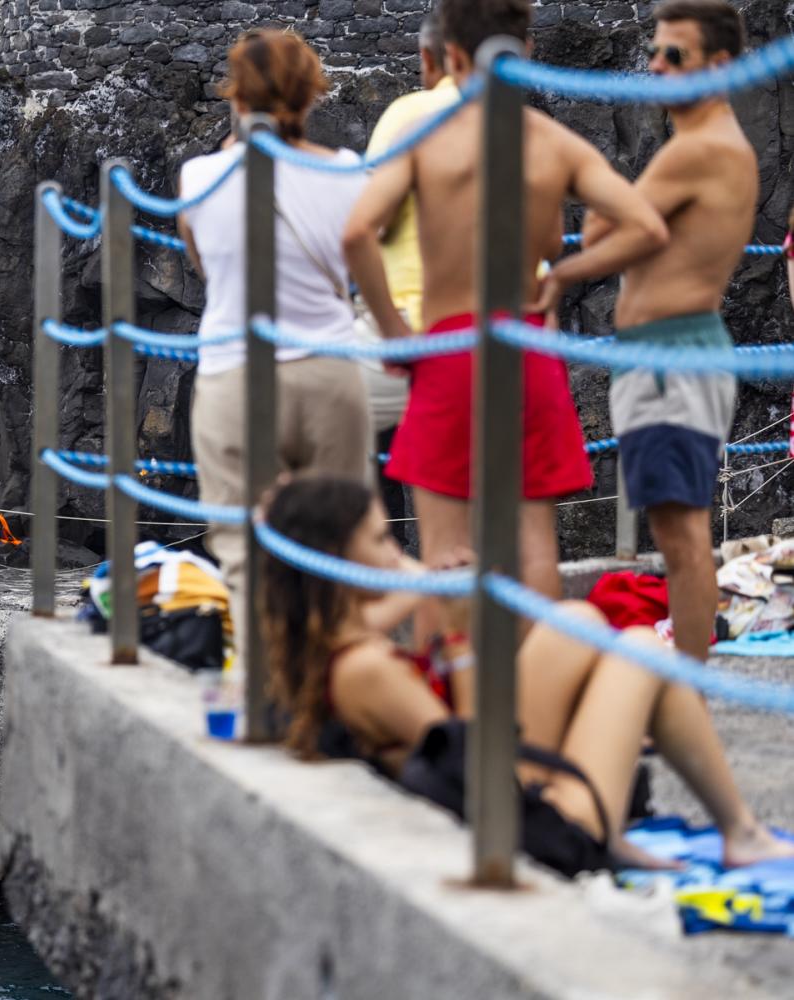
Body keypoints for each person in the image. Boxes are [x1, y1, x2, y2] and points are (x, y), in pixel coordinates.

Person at [258, 475, 794, 873]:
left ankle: (716, 828)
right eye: (380, 541)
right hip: (529, 828)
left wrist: (284, 523)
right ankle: (737, 831)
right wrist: (458, 639)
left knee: (576, 620)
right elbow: (472, 763)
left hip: (504, 798)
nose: (396, 553)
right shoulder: (368, 669)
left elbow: (387, 595)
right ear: (333, 560)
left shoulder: (332, 637)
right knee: (639, 647)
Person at [343, 0, 669, 634]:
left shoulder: (428, 139)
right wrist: (564, 277)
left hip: (447, 346)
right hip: (527, 346)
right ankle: (534, 695)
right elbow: (646, 225)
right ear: (526, 51)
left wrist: (395, 334)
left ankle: (451, 701)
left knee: (442, 554)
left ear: (452, 57)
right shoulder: (552, 142)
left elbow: (357, 231)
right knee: (533, 548)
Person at [176, 28, 373, 669]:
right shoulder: (345, 173)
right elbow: (354, 276)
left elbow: (206, 269)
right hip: (328, 372)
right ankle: (333, 698)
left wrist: (242, 135)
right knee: (337, 550)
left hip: (237, 375)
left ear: (237, 95)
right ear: (312, 95)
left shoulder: (199, 178)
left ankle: (262, 699)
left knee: (242, 552)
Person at [583, 0, 754, 663]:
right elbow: (617, 221)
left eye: (673, 55)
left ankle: (689, 692)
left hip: (670, 361)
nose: (655, 66)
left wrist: (557, 275)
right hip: (669, 358)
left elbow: (614, 228)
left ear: (720, 65)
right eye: (656, 51)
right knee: (679, 534)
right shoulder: (702, 146)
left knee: (680, 541)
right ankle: (690, 688)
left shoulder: (700, 151)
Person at [361, 12, 457, 535]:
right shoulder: (523, 123)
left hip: (416, 328)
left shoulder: (411, 114)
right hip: (505, 331)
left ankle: (368, 576)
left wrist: (388, 325)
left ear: (430, 58)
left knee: (318, 429)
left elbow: (360, 231)